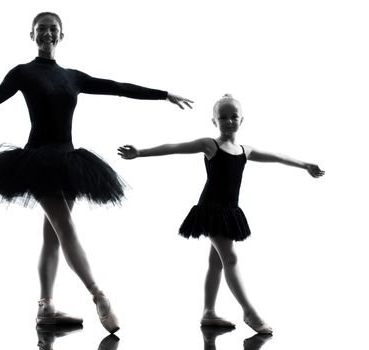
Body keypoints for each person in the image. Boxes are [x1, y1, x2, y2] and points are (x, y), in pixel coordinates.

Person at [0, 11, 193, 333]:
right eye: (41, 29)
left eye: (53, 29)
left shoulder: (72, 77)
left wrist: (163, 95)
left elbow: (117, 87)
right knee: (64, 227)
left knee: (53, 237)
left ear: (62, 36)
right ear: (32, 35)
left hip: (69, 162)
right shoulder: (22, 73)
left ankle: (45, 308)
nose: (47, 33)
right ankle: (98, 294)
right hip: (37, 161)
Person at [118, 94, 324, 334]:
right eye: (222, 117)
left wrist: (305, 165)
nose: (228, 121)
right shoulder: (210, 145)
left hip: (230, 211)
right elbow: (175, 147)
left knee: (216, 263)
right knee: (231, 259)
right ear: (214, 121)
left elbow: (278, 158)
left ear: (242, 120)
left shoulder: (245, 151)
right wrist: (140, 152)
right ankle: (249, 312)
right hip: (211, 210)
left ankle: (209, 312)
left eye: (233, 116)